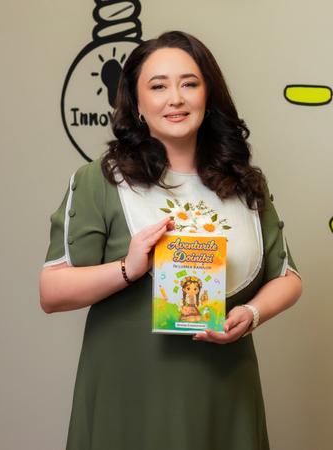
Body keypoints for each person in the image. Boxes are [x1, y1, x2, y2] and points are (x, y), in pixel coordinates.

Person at [39, 30, 302, 450]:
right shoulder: (102, 181)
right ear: (136, 104)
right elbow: (52, 292)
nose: (175, 99)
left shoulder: (244, 183)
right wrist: (128, 268)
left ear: (208, 95)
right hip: (129, 396)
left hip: (224, 389)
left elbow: (287, 277)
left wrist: (251, 314)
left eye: (189, 84)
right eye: (158, 86)